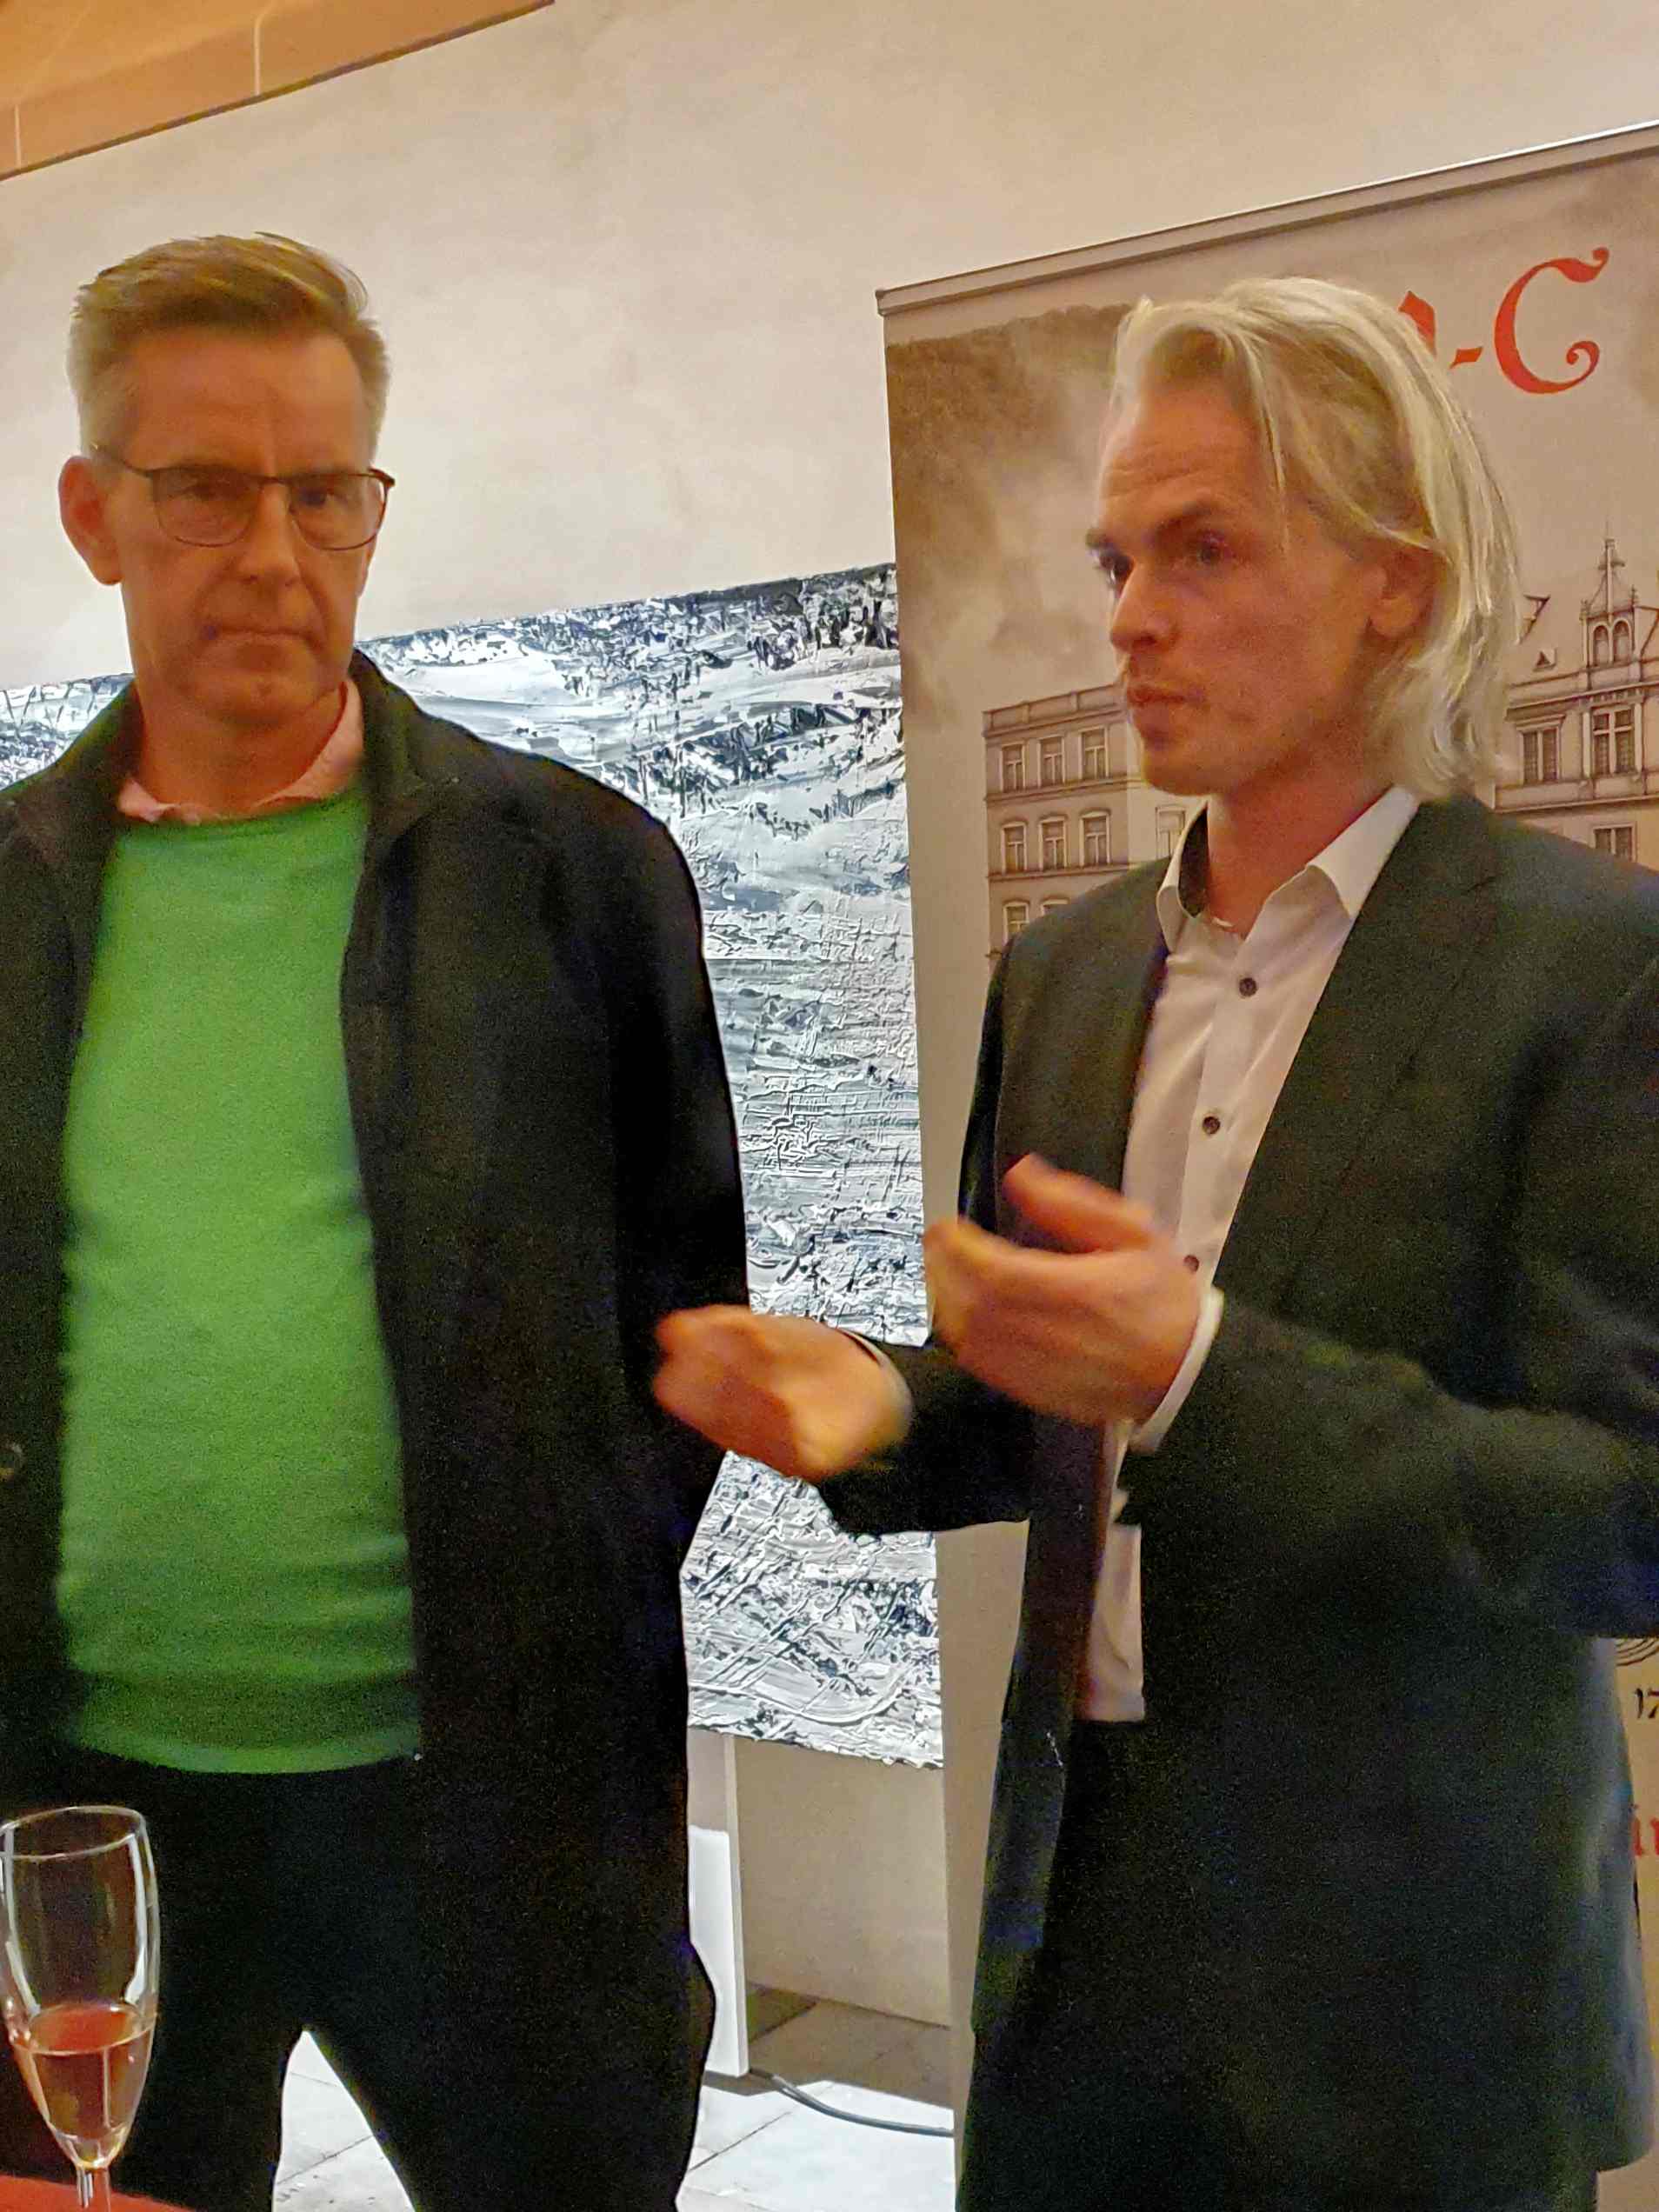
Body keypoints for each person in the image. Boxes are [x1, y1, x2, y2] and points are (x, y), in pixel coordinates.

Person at [653, 276, 1659, 2211]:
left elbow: (1630, 1514)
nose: (1129, 614)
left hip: (1415, 1992)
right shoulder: (1067, 972)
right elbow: (1051, 1407)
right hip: (1081, 1950)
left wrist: (1199, 1371)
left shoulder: (1594, 972)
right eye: (1120, 558)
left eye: (1204, 550)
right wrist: (881, 1408)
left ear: (1396, 583)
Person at [0, 233, 744, 2212]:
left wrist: (554, 1591)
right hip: (95, 1810)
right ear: (93, 513)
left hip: (492, 1804)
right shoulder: (5, 904)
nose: (272, 553)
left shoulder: (570, 875)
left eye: (322, 493)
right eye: (203, 491)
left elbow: (682, 1315)